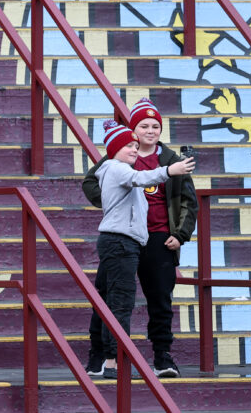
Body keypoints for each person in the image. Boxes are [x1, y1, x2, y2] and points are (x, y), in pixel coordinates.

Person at [83, 98, 198, 379]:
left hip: (158, 236)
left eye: (155, 125)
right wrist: (111, 202)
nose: (150, 131)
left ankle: (162, 357)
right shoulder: (120, 154)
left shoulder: (170, 158)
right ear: (133, 130)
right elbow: (91, 182)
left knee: (160, 298)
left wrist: (180, 234)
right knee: (109, 296)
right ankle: (98, 357)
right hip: (124, 238)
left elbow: (188, 201)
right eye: (143, 126)